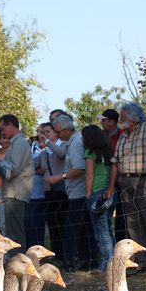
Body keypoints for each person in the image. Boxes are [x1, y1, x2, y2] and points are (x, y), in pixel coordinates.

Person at [105, 102, 146, 275]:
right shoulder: (123, 137)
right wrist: (111, 187)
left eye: (122, 116)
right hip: (126, 182)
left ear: (133, 117)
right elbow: (115, 162)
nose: (120, 119)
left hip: (145, 180)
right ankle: (142, 262)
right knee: (133, 224)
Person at [47, 115, 95, 270]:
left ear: (67, 130)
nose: (57, 135)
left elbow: (79, 168)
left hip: (79, 193)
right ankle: (87, 261)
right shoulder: (74, 141)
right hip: (77, 192)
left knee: (72, 228)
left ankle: (72, 263)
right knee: (84, 228)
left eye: (58, 132)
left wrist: (59, 177)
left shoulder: (75, 143)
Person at [0, 114, 34, 253]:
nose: (2, 132)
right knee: (13, 232)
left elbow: (12, 170)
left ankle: (18, 261)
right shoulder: (16, 143)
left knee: (14, 234)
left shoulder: (19, 143)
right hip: (13, 193)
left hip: (15, 195)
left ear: (11, 125)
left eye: (3, 128)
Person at [82, 125, 114, 273]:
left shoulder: (90, 152)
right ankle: (113, 259)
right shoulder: (107, 151)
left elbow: (90, 174)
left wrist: (88, 193)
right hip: (108, 191)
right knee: (107, 228)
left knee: (101, 231)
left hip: (96, 192)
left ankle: (107, 262)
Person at [40, 122, 68, 264]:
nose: (45, 134)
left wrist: (47, 143)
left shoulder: (62, 145)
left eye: (48, 131)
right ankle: (57, 252)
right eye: (43, 132)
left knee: (63, 220)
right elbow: (36, 165)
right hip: (48, 190)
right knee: (52, 222)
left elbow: (61, 154)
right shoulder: (44, 150)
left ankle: (66, 252)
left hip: (62, 189)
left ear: (55, 132)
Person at [98, 108, 126, 242]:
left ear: (112, 122)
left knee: (123, 213)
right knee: (104, 213)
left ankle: (122, 241)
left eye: (104, 120)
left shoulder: (123, 135)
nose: (102, 122)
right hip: (104, 178)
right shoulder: (100, 136)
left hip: (122, 178)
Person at [25, 125, 47, 249]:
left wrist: (29, 170)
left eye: (43, 132)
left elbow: (44, 168)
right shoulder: (31, 146)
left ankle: (39, 249)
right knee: (29, 223)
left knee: (38, 223)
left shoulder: (46, 148)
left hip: (41, 193)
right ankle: (30, 249)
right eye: (38, 132)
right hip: (29, 193)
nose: (40, 135)